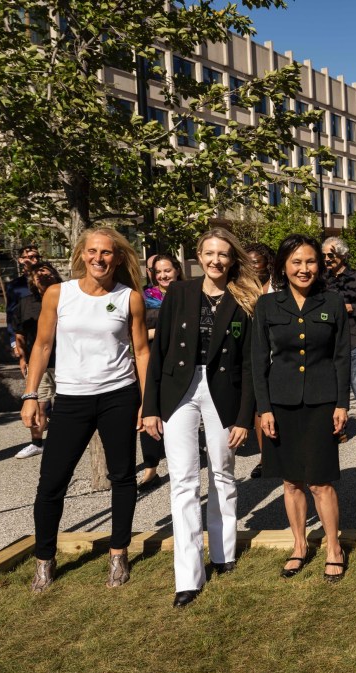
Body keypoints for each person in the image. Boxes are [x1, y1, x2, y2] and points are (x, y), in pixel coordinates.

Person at [20, 228, 150, 592]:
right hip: (72, 400)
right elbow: (43, 346)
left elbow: (141, 353)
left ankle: (118, 554)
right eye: (92, 251)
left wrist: (148, 403)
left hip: (118, 397)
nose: (99, 258)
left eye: (106, 252)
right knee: (51, 483)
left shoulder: (130, 299)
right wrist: (31, 394)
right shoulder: (58, 294)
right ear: (81, 254)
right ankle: (44, 561)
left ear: (118, 258)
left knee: (122, 478)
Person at [142, 229, 261, 607]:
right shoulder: (178, 292)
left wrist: (245, 416)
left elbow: (250, 363)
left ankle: (223, 554)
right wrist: (149, 408)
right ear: (197, 256)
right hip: (179, 390)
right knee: (183, 481)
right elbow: (158, 352)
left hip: (223, 394)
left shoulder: (245, 298)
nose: (215, 260)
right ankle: (188, 577)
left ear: (232, 259)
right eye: (209, 253)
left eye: (222, 254)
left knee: (223, 473)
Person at [252, 235, 351, 582]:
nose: (304, 268)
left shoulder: (333, 302)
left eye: (310, 261)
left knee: (321, 482)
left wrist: (342, 403)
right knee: (292, 481)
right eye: (296, 262)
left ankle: (334, 548)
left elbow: (341, 357)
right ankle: (299, 545)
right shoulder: (267, 306)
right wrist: (264, 408)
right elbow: (258, 360)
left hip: (323, 403)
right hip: (281, 403)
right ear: (283, 266)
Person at [323, 236, 356, 453]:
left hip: (354, 340)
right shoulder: (322, 280)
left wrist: (351, 308)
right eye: (324, 255)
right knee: (333, 390)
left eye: (331, 255)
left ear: (343, 255)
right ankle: (338, 429)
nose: (326, 259)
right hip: (328, 344)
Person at [138, 253, 185, 490]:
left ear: (177, 270)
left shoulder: (189, 294)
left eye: (167, 270)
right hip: (154, 361)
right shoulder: (145, 299)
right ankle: (150, 468)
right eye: (158, 272)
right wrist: (162, 333)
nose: (163, 275)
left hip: (184, 363)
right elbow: (135, 335)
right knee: (149, 411)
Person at [12, 262, 63, 459]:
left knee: (64, 405)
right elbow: (19, 335)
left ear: (55, 276)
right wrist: (23, 359)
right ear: (32, 281)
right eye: (38, 276)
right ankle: (36, 443)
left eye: (47, 273)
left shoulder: (65, 298)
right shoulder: (25, 303)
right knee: (39, 404)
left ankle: (63, 441)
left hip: (64, 361)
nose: (42, 277)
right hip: (38, 363)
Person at [244, 243, 275, 480]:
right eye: (248, 262)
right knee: (259, 405)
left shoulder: (280, 286)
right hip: (252, 352)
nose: (253, 267)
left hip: (279, 351)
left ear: (267, 261)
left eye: (256, 262)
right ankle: (266, 458)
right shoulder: (241, 288)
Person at [6, 245, 40, 360]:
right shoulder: (15, 286)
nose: (35, 260)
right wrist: (14, 343)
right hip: (27, 338)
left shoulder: (47, 281)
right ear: (21, 260)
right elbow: (11, 315)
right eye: (30, 257)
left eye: (37, 257)